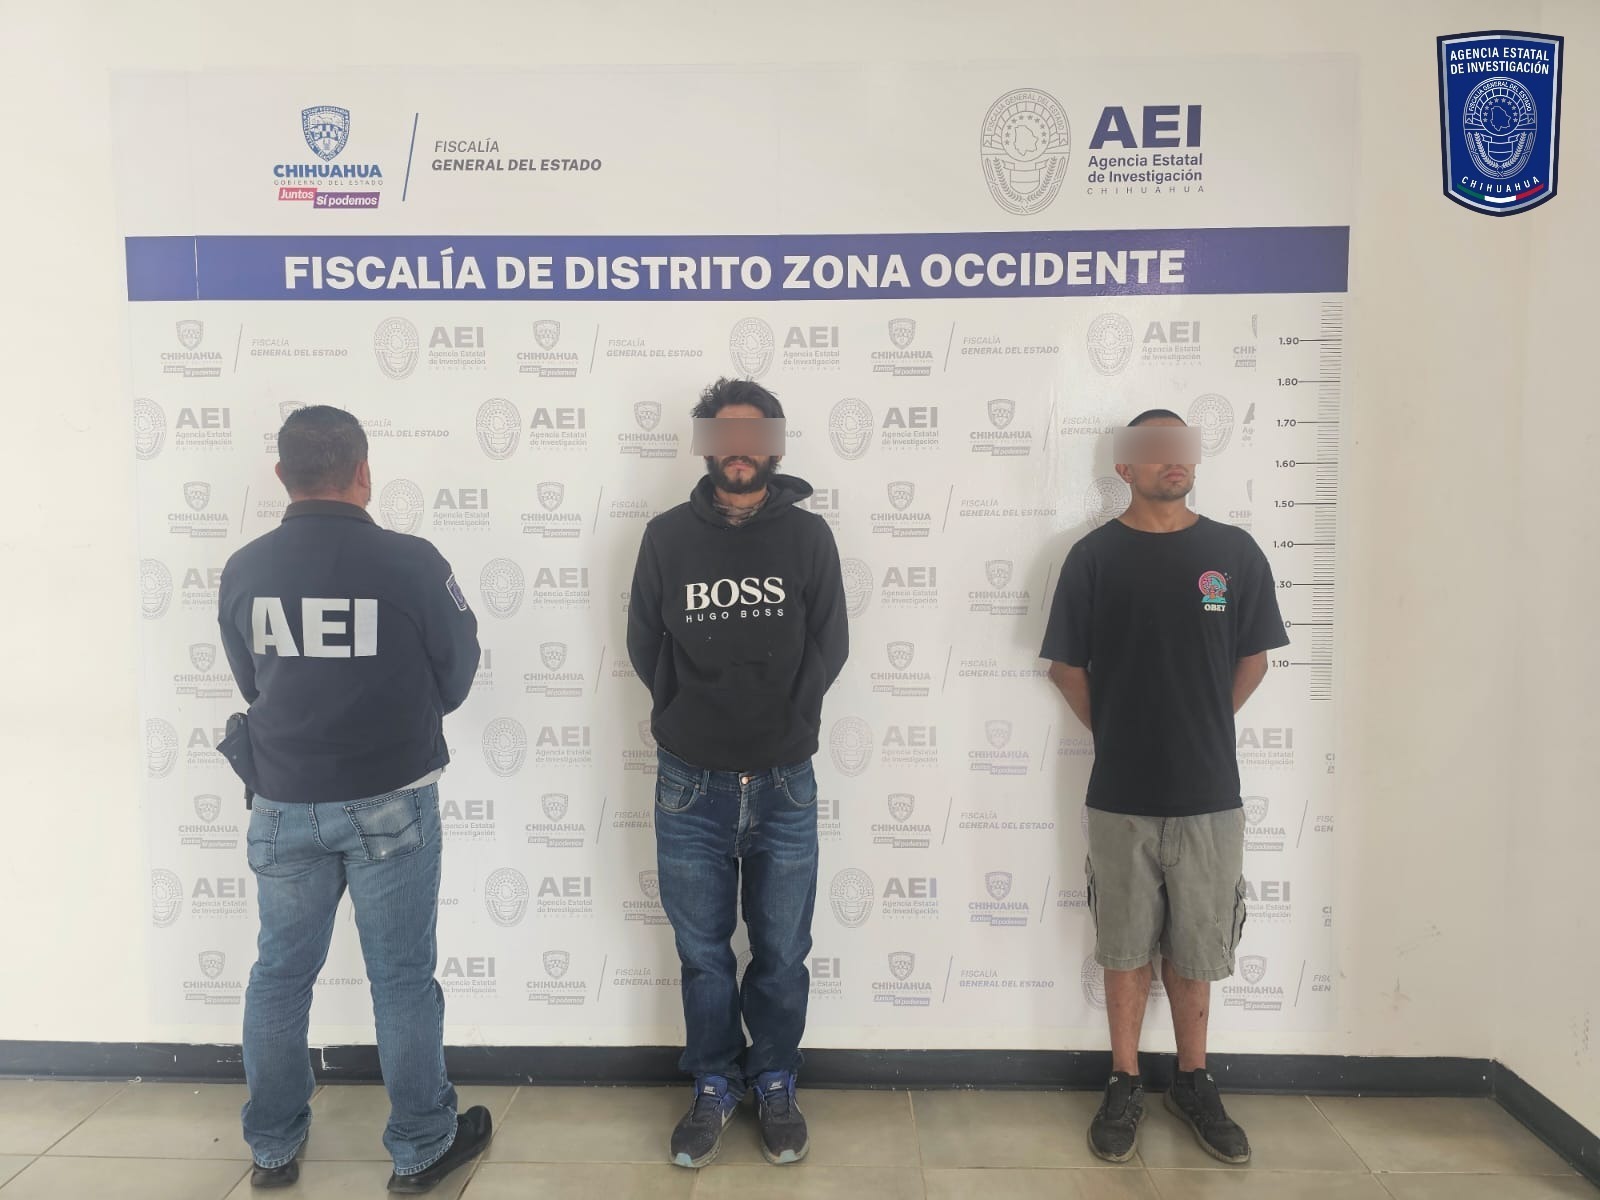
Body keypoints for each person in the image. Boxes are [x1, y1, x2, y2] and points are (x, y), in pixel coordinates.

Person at [216, 406, 492, 1193]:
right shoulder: (411, 562)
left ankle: (272, 1149)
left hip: (282, 800)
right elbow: (458, 672)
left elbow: (252, 679)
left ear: (282, 476)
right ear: (365, 472)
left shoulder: (244, 568)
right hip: (390, 799)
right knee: (401, 979)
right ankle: (421, 1147)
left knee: (279, 976)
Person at [1040, 408, 1288, 1166]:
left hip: (1210, 792)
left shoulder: (1233, 554)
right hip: (1120, 792)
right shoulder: (1092, 558)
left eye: (1181, 448)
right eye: (1153, 451)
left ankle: (1192, 1080)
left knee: (1196, 947)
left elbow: (1254, 660)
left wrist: (1200, 724)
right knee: (1123, 946)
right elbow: (1065, 668)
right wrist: (1120, 734)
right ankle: (1123, 1081)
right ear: (1124, 466)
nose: (1171, 460)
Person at [626, 378, 849, 1169]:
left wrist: (787, 719)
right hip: (690, 783)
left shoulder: (809, 538)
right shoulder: (665, 537)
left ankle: (776, 1079)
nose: (740, 450)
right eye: (725, 435)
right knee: (704, 955)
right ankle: (715, 1083)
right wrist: (690, 711)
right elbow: (644, 643)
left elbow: (831, 643)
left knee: (783, 952)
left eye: (755, 435)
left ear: (775, 446)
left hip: (786, 780)